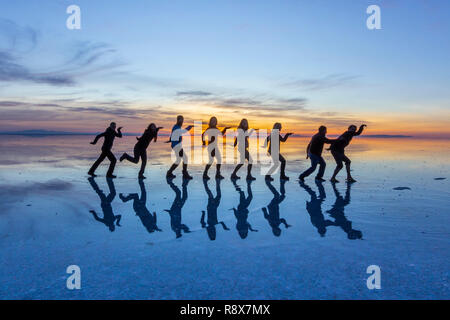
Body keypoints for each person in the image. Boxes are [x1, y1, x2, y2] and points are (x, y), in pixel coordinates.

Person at [166, 115, 194, 180]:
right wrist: (189, 127)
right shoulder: (176, 127)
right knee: (185, 158)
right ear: (177, 120)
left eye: (182, 120)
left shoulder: (177, 127)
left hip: (176, 145)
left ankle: (169, 172)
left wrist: (170, 140)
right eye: (180, 119)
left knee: (178, 160)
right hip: (176, 146)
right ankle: (184, 173)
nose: (181, 121)